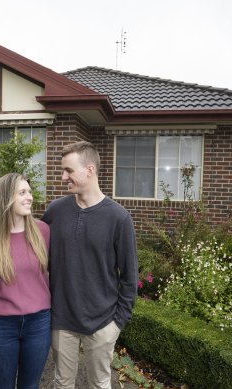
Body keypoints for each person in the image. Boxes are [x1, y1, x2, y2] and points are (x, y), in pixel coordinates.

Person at [42, 141, 138, 389]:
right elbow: (33, 256)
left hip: (103, 322)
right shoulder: (55, 211)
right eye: (63, 171)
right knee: (62, 383)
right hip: (62, 320)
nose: (64, 177)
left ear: (90, 170)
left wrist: (117, 323)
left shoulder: (118, 217)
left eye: (69, 170)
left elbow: (129, 276)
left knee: (99, 384)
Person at [0, 172, 51, 389]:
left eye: (30, 192)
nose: (29, 197)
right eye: (22, 192)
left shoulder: (43, 231)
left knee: (30, 386)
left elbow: (51, 275)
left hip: (39, 324)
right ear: (6, 198)